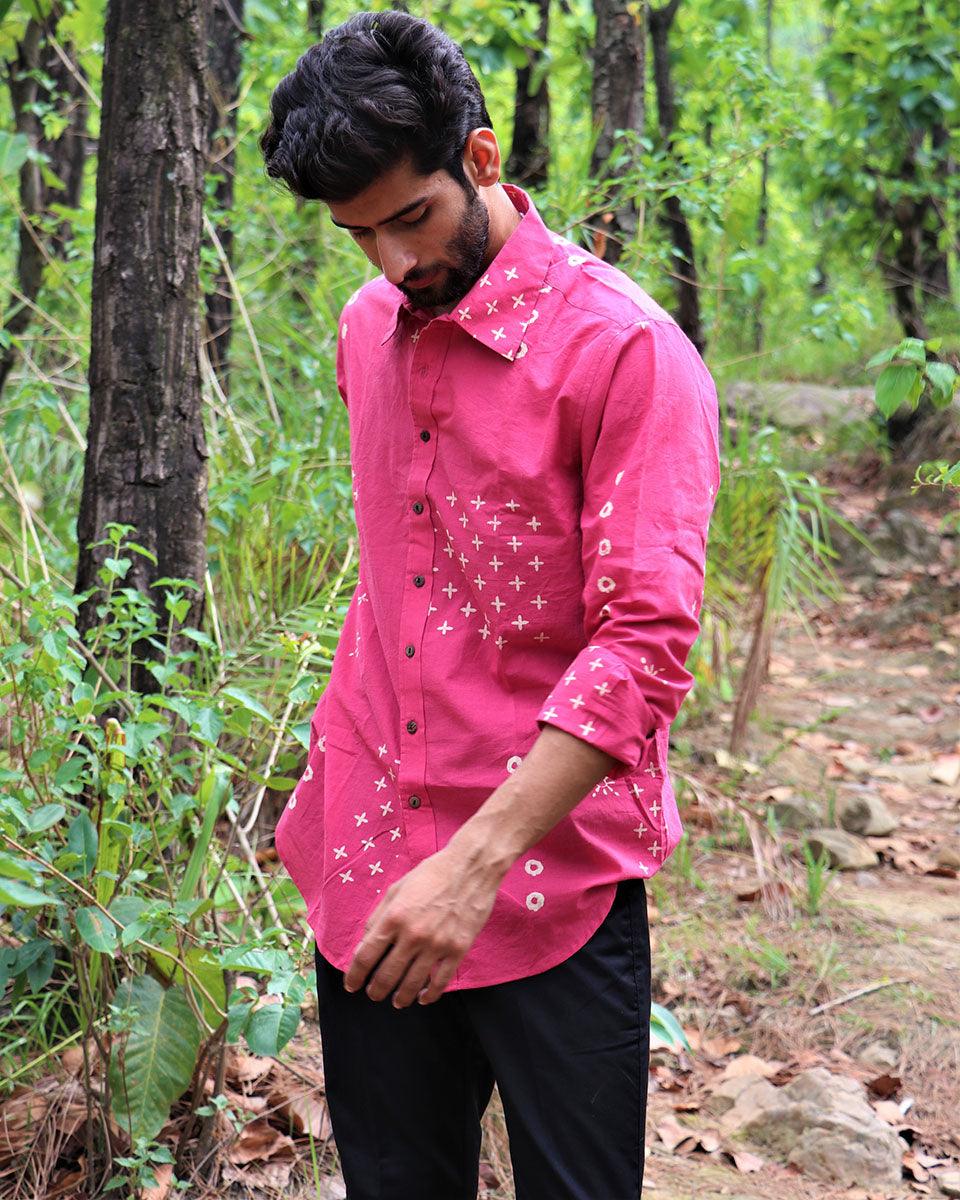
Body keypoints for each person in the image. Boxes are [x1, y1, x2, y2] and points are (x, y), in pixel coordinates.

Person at [260, 11, 719, 1199]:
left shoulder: (625, 353)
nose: (393, 263)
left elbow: (647, 645)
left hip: (545, 871)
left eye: (410, 219)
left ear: (481, 157)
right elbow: (398, 583)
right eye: (357, 234)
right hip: (371, 851)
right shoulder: (370, 330)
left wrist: (473, 866)